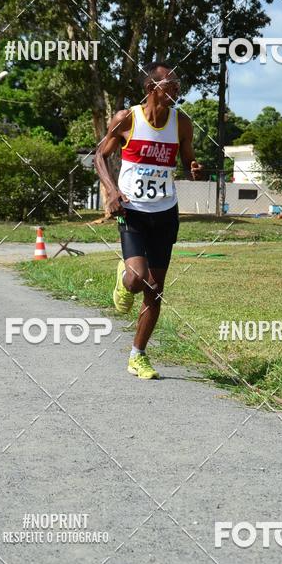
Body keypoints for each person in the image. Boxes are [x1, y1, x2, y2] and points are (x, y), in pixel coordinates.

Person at [94, 62, 202, 379]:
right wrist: (112, 191)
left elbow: (186, 158)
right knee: (137, 279)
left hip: (165, 213)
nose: (176, 92)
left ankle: (137, 355)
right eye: (170, 86)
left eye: (178, 87)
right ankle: (124, 278)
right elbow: (100, 154)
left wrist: (194, 166)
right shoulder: (127, 119)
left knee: (155, 290)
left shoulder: (182, 123)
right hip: (133, 211)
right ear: (151, 88)